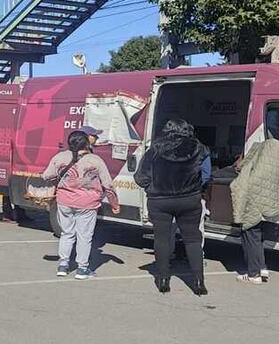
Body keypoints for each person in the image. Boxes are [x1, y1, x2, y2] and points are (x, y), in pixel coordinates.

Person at [135, 119, 211, 295]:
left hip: (160, 200)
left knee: (161, 239)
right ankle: (199, 282)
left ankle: (163, 280)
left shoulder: (155, 149)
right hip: (189, 199)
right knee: (193, 239)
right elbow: (206, 174)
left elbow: (140, 177)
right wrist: (196, 187)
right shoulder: (200, 148)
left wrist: (152, 187)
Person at [42, 130, 119, 279]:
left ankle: (63, 265)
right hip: (87, 203)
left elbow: (47, 175)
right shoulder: (95, 160)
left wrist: (61, 180)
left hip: (64, 201)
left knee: (67, 233)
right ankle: (82, 269)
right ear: (87, 143)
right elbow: (108, 185)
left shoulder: (60, 157)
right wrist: (114, 203)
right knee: (84, 236)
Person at [230, 138, 279, 284]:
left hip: (253, 209)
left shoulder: (256, 170)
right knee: (258, 238)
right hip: (270, 210)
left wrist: (238, 215)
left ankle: (253, 275)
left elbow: (239, 184)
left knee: (250, 238)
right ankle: (262, 268)